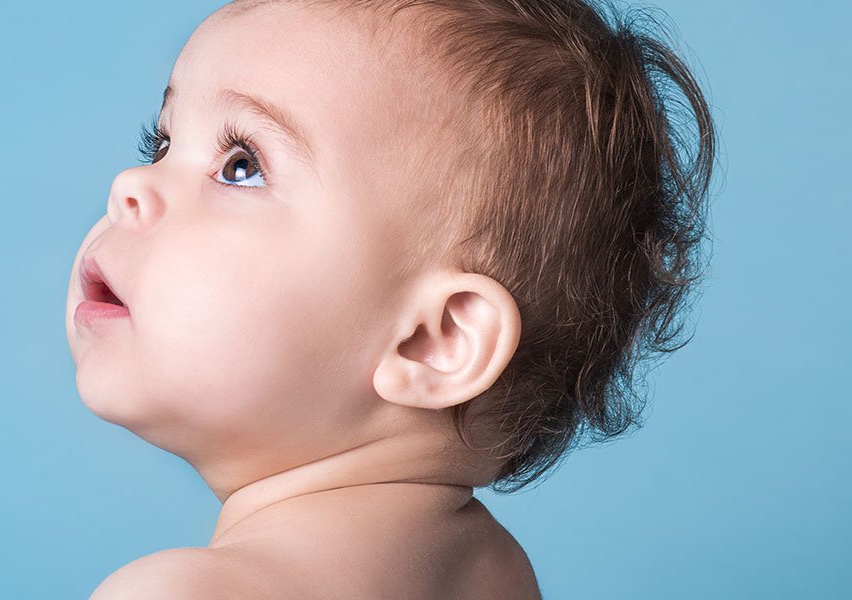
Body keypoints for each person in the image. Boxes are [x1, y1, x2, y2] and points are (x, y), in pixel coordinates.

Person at [64, 0, 714, 597]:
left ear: (434, 341)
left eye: (242, 165)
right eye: (164, 143)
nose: (131, 183)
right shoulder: (496, 573)